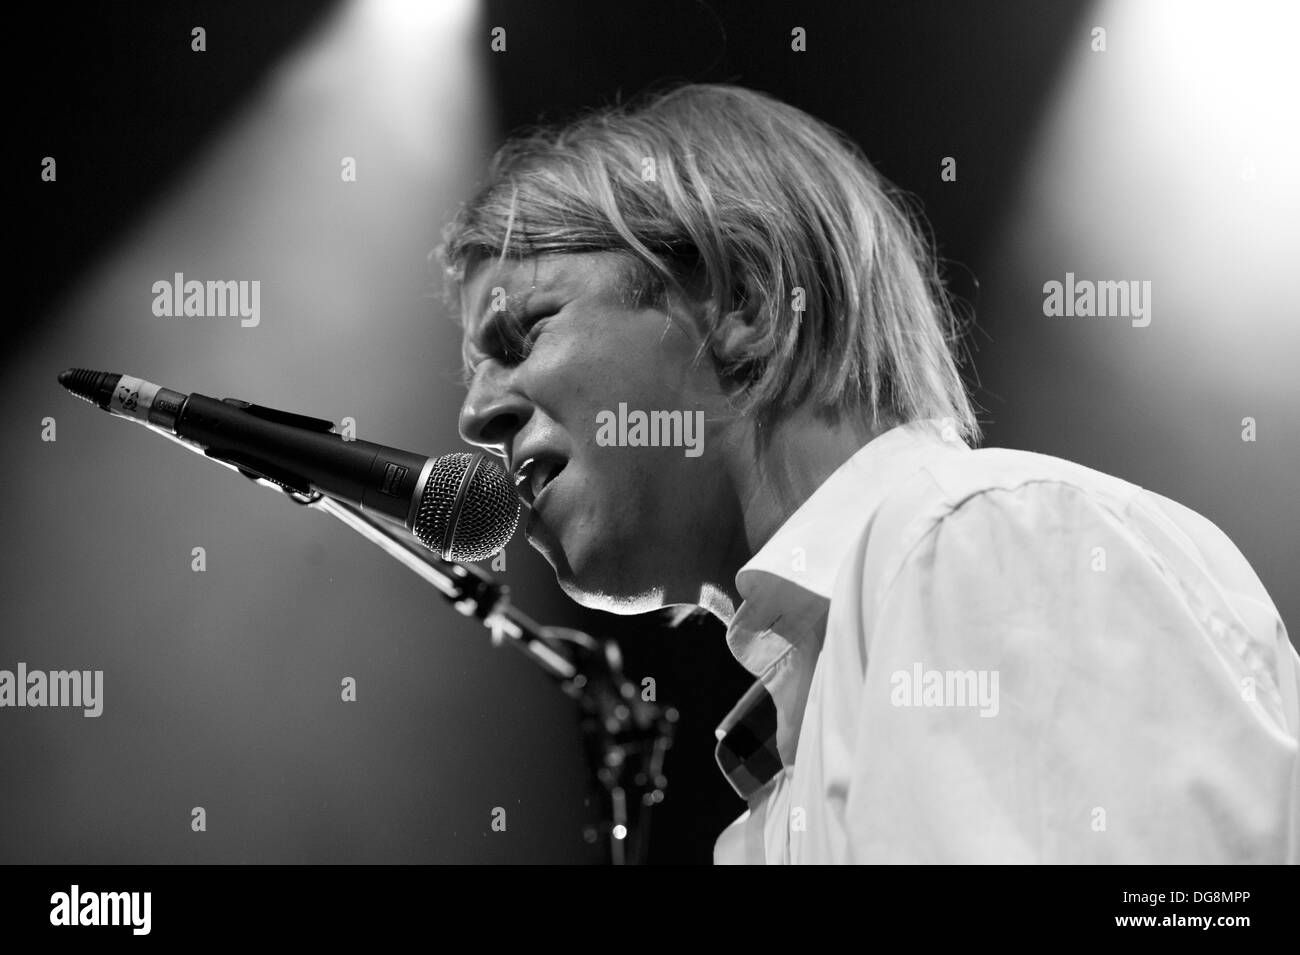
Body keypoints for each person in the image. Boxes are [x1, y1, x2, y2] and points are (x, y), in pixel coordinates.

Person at [439, 83, 1298, 864]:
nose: (477, 415)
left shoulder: (977, 543)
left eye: (525, 334)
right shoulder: (781, 777)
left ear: (748, 302)